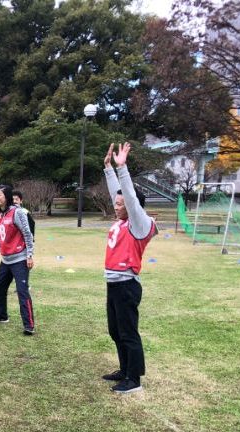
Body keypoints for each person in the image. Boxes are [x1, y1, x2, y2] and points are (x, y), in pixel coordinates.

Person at [101, 142, 158, 394]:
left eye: (121, 204)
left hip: (126, 285)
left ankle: (133, 379)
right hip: (113, 284)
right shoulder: (121, 220)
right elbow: (121, 195)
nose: (117, 205)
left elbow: (130, 199)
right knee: (116, 331)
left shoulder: (139, 224)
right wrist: (108, 170)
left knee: (128, 332)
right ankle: (124, 370)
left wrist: (122, 169)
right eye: (116, 202)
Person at [0, 185, 35, 334]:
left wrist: (29, 255)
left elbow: (28, 234)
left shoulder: (17, 212)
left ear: (6, 197)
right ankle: (1, 316)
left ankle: (29, 326)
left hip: (20, 259)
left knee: (22, 292)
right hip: (6, 260)